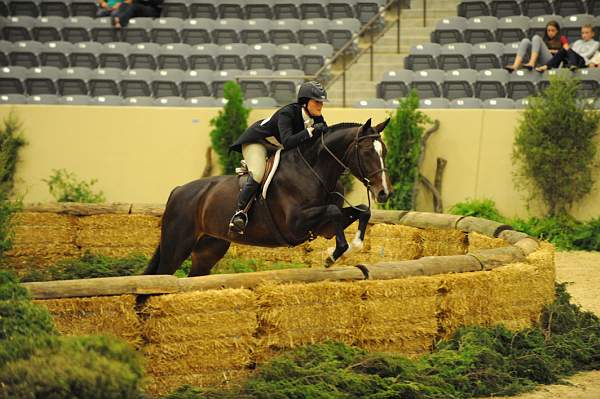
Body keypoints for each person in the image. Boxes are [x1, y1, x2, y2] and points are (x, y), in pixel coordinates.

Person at [228, 81, 330, 234]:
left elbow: (324, 137)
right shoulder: (287, 113)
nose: (320, 106)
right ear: (305, 102)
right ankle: (240, 213)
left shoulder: (317, 117)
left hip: (277, 147)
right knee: (257, 173)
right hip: (258, 142)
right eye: (317, 102)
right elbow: (288, 142)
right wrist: (310, 131)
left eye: (321, 102)